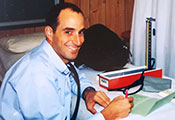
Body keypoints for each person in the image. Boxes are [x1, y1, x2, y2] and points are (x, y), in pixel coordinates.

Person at [0, 2, 133, 120]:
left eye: (80, 32)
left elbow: (73, 77)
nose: (78, 41)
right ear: (50, 33)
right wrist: (107, 116)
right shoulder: (38, 75)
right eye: (68, 32)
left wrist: (88, 92)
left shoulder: (58, 58)